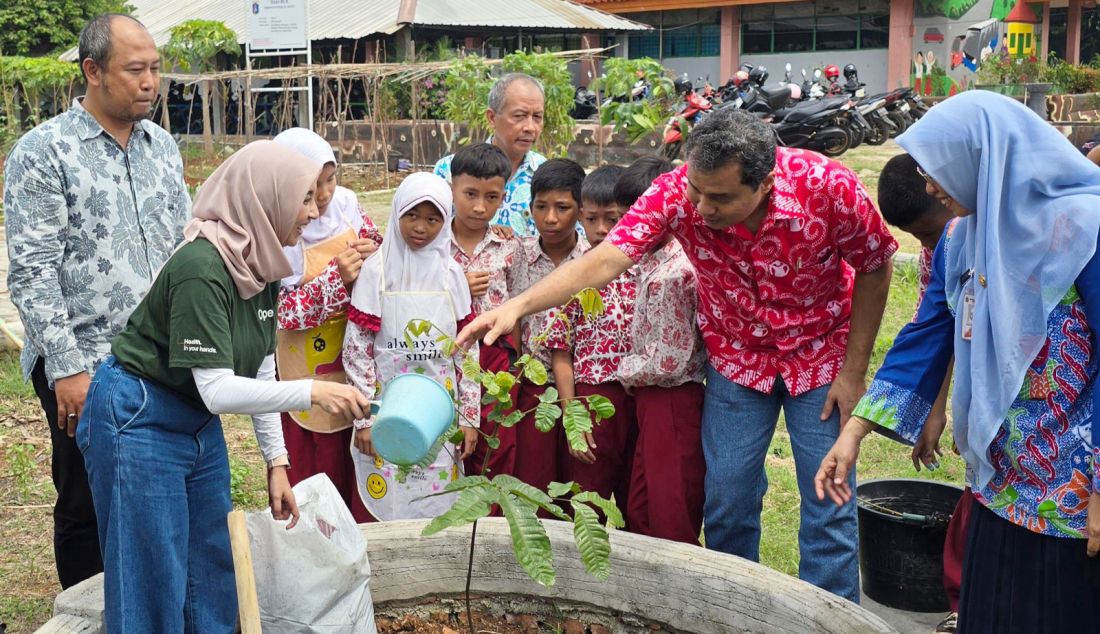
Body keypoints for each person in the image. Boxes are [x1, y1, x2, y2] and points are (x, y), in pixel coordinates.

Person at [457, 108, 897, 602]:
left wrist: (854, 371)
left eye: (721, 197)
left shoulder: (828, 186)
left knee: (828, 501)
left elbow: (876, 266)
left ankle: (832, 613)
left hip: (821, 359)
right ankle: (736, 609)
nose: (702, 208)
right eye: (696, 191)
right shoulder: (674, 194)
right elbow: (603, 260)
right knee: (727, 500)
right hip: (737, 361)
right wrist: (518, 305)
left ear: (766, 183)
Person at [815, 90, 1100, 633]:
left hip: (1073, 495)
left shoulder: (1085, 228)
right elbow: (927, 335)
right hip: (998, 480)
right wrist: (855, 432)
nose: (928, 186)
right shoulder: (961, 239)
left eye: (935, 170)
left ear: (985, 157)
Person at [78, 140, 373, 631]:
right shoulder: (203, 267)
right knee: (153, 571)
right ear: (264, 197)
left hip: (194, 421)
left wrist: (277, 463)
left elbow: (258, 366)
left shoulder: (262, 261)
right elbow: (217, 389)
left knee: (210, 567)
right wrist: (313, 392)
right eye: (301, 198)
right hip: (139, 415)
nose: (311, 210)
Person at [3, 13, 190, 589]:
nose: (149, 82)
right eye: (135, 70)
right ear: (93, 71)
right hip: (86, 360)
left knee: (160, 486)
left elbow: (182, 245)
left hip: (160, 358)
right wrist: (68, 369)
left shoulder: (162, 147)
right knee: (87, 497)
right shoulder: (44, 152)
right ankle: (89, 610)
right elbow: (32, 271)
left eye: (155, 69)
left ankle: (154, 602)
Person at [346, 172, 480, 520]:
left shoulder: (451, 275)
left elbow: (468, 352)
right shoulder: (376, 272)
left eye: (433, 219)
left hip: (440, 413)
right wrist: (363, 422)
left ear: (445, 221)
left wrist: (469, 418)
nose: (421, 227)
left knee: (435, 498)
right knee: (388, 492)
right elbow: (357, 348)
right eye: (412, 216)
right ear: (397, 214)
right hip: (386, 409)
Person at [272, 127, 383, 523]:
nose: (323, 194)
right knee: (317, 467)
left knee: (355, 455)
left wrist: (371, 250)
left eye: (330, 179)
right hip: (304, 363)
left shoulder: (348, 205)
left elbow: (375, 239)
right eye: (311, 184)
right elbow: (283, 311)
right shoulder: (279, 228)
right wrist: (338, 279)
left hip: (354, 355)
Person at [878, 152, 963, 633]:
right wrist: (936, 409)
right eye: (919, 240)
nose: (930, 245)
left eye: (931, 232)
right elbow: (934, 331)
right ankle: (962, 604)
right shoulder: (942, 248)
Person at [614, 156, 707, 545]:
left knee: (669, 507)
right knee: (642, 502)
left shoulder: (674, 273)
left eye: (631, 218)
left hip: (671, 397)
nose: (625, 229)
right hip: (653, 399)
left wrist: (624, 372)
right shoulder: (651, 263)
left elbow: (667, 361)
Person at [545, 164, 638, 515]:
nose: (602, 230)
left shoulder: (647, 270)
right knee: (585, 502)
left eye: (613, 219)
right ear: (581, 217)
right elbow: (560, 350)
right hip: (591, 399)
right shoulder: (575, 275)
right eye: (593, 219)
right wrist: (572, 416)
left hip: (638, 401)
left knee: (636, 502)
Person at [511, 159, 590, 494]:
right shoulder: (517, 254)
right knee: (535, 479)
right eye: (541, 207)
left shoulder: (593, 260)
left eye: (562, 207)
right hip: (533, 385)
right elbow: (512, 318)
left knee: (581, 481)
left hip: (584, 385)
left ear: (580, 209)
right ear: (529, 208)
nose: (551, 218)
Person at [447, 143, 526, 477]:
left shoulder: (509, 245)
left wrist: (516, 364)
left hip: (497, 359)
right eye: (470, 194)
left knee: (495, 446)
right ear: (451, 188)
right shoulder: (433, 245)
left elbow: (521, 306)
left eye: (491, 197)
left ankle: (490, 523)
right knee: (447, 443)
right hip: (446, 354)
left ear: (503, 195)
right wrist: (455, 286)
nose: (480, 207)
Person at [434, 73, 547, 235]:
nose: (530, 127)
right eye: (519, 116)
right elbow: (431, 230)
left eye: (537, 117)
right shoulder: (448, 169)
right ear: (492, 118)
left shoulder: (545, 175)